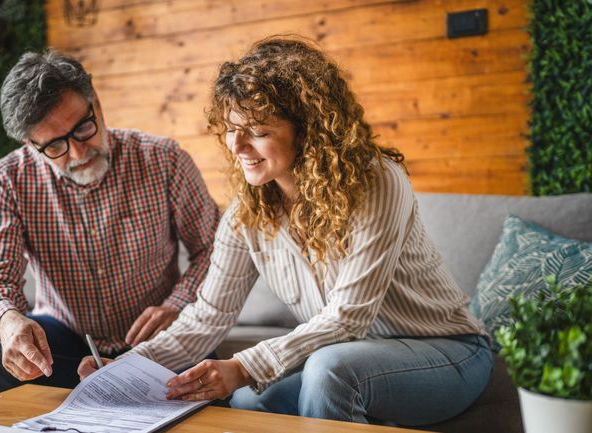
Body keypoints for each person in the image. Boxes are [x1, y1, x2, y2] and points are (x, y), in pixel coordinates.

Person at [79, 36, 493, 427]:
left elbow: (349, 318)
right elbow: (207, 317)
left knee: (330, 371)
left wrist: (243, 366)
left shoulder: (376, 181)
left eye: (257, 131)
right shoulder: (246, 214)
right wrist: (129, 365)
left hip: (448, 352)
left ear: (307, 131)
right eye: (231, 128)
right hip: (350, 356)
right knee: (249, 400)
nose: (237, 146)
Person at [0, 50, 221, 402]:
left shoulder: (164, 159)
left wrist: (177, 304)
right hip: (66, 349)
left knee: (209, 384)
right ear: (31, 144)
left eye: (83, 128)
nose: (76, 152)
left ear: (96, 104)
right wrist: (9, 322)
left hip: (160, 340)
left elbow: (213, 249)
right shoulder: (6, 181)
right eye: (55, 145)